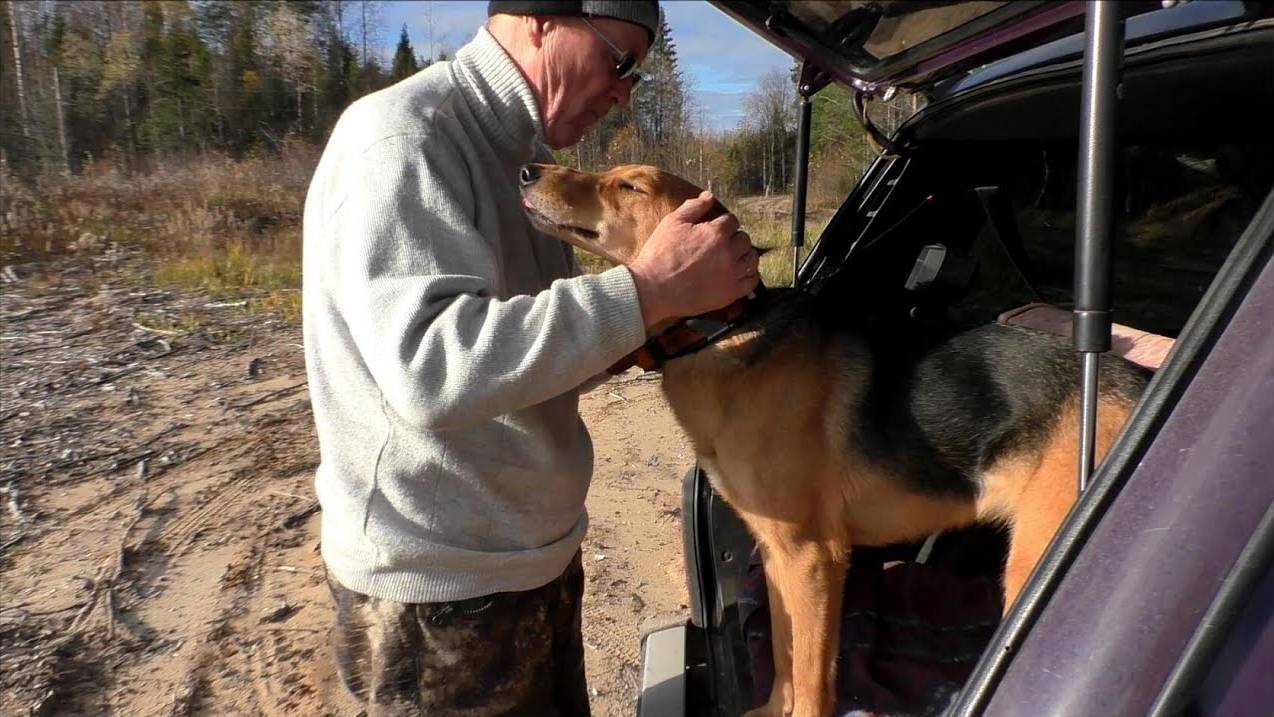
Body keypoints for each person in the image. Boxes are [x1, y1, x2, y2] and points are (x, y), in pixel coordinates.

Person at [301, 1, 759, 714]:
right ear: (542, 19)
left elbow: (526, 351)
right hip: (438, 586)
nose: (625, 92)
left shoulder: (523, 160)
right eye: (620, 62)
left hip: (527, 559)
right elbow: (432, 369)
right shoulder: (404, 136)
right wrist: (645, 291)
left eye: (635, 72)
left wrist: (666, 318)